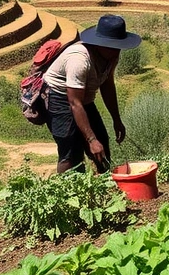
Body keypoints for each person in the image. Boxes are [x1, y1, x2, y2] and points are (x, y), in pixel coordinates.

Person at [43, 14, 141, 173]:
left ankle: (105, 184)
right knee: (71, 152)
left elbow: (107, 85)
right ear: (100, 44)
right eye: (113, 45)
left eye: (119, 45)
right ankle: (66, 192)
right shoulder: (79, 60)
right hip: (60, 99)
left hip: (83, 100)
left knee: (102, 142)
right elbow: (74, 103)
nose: (117, 50)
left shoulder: (111, 56)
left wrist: (117, 120)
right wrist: (90, 139)